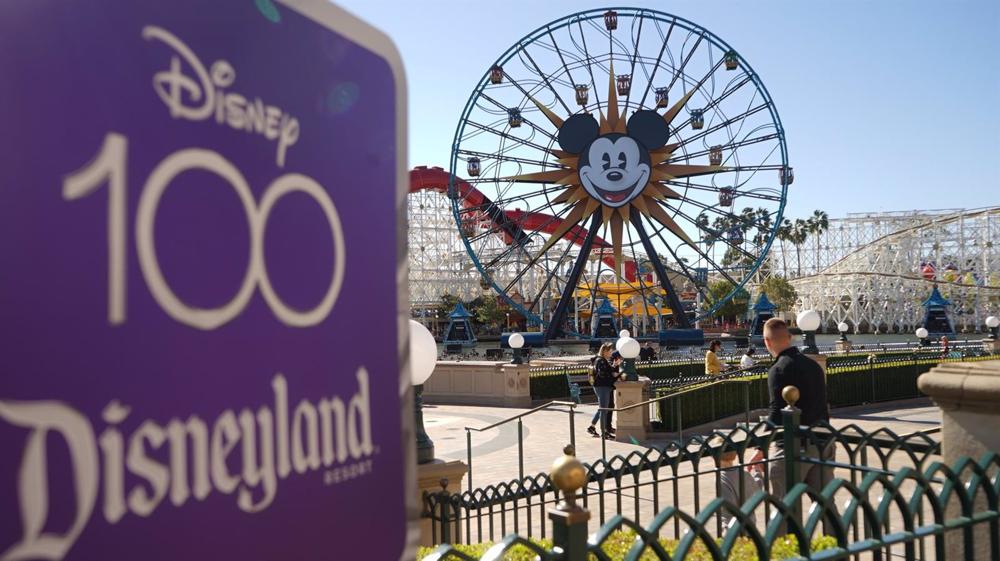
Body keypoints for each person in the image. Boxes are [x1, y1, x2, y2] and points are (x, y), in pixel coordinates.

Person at [748, 318, 833, 506]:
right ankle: (835, 536)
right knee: (826, 506)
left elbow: (777, 413)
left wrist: (760, 448)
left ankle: (787, 537)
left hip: (792, 447)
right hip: (821, 441)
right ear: (790, 337)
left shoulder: (778, 370)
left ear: (766, 341)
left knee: (783, 509)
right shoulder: (813, 366)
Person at [711, 437, 764, 529]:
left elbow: (728, 507)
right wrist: (757, 473)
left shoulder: (722, 478)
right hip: (750, 524)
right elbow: (757, 492)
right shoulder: (745, 474)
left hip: (732, 528)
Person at [587, 343, 622, 439]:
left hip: (601, 386)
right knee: (604, 410)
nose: (611, 353)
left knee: (602, 408)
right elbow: (603, 375)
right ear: (605, 351)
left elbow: (606, 371)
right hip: (603, 387)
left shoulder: (600, 360)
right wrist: (615, 377)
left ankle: (592, 427)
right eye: (610, 351)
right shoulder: (601, 361)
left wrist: (614, 366)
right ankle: (604, 432)